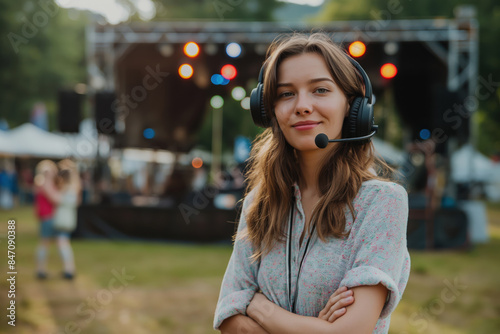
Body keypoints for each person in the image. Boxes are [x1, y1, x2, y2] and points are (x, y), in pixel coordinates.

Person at [214, 33, 410, 334]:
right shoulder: (258, 203)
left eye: (320, 90)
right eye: (285, 94)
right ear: (269, 112)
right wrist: (317, 327)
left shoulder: (383, 202)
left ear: (352, 106)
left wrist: (258, 306)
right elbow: (229, 321)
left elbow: (349, 331)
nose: (302, 106)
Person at [34, 160, 78, 280]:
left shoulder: (50, 184)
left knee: (58, 243)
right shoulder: (45, 184)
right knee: (47, 243)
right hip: (48, 217)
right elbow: (56, 199)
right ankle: (41, 270)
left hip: (53, 218)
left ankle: (67, 270)